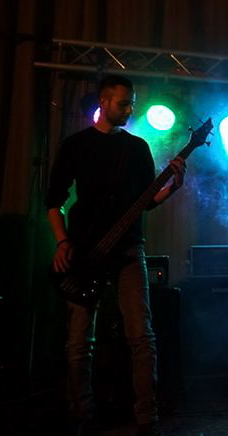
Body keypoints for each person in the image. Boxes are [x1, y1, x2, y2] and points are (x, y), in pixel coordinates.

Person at [47, 75, 186, 436]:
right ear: (104, 102)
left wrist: (173, 187)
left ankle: (147, 418)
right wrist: (62, 242)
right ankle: (80, 415)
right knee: (79, 342)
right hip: (84, 252)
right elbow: (53, 202)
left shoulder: (137, 148)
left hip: (127, 249)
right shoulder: (76, 145)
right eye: (123, 104)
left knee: (141, 336)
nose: (129, 110)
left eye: (131, 104)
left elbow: (146, 202)